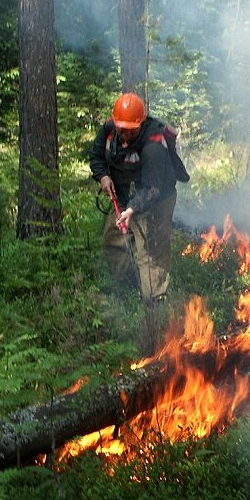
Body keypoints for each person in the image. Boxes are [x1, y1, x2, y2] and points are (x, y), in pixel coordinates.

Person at [88, 92, 179, 335]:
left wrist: (131, 210)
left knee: (150, 251)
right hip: (125, 194)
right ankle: (131, 284)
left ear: (140, 124)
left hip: (157, 198)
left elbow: (153, 188)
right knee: (112, 241)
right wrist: (103, 176)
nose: (124, 133)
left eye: (129, 129)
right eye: (121, 127)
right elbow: (96, 156)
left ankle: (154, 305)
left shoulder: (153, 145)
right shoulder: (109, 130)